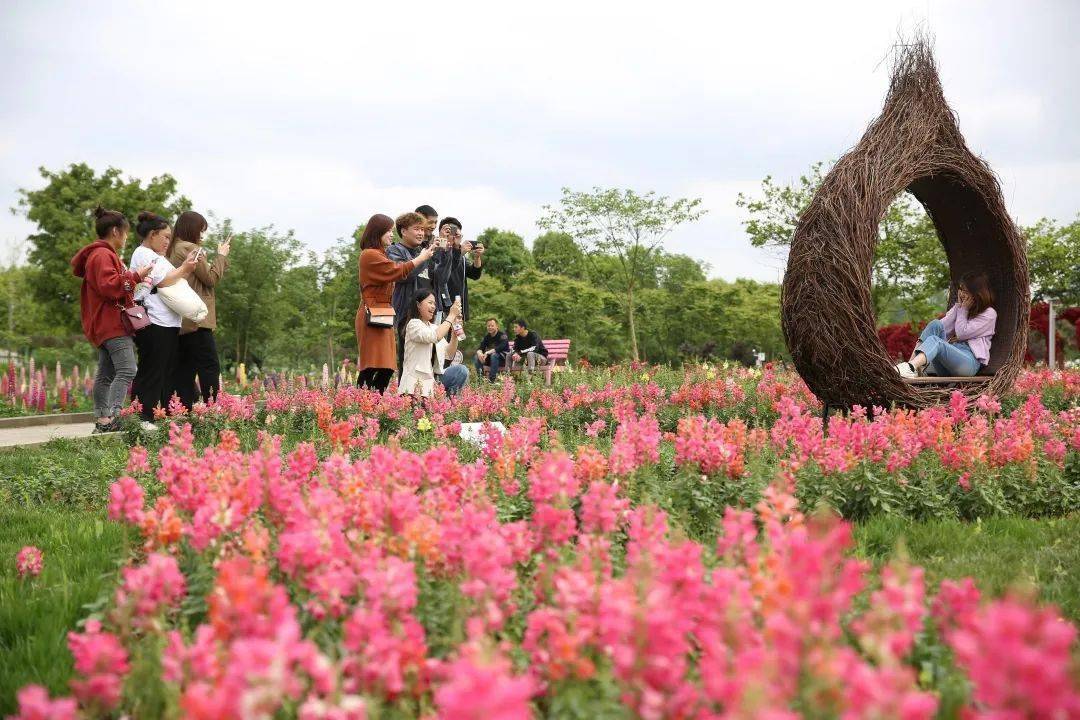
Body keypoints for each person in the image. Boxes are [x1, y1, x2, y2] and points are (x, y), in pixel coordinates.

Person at [71, 207, 155, 433]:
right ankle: (116, 416)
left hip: (105, 324)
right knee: (128, 369)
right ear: (116, 231)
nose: (127, 238)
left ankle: (103, 421)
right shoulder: (102, 255)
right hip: (112, 324)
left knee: (106, 374)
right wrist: (137, 275)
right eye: (126, 233)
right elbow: (110, 287)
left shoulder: (101, 255)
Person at [129, 211, 198, 430]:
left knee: (163, 369)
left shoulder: (159, 257)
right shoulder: (143, 253)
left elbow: (172, 280)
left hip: (168, 322)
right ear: (152, 235)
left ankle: (152, 413)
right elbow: (164, 281)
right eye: (165, 236)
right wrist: (185, 268)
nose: (168, 241)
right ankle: (142, 416)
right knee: (152, 368)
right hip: (153, 320)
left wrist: (184, 268)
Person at [355, 214, 433, 393]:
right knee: (372, 365)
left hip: (383, 314)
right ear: (378, 233)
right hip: (371, 315)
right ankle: (361, 403)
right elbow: (397, 270)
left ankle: (374, 402)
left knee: (388, 366)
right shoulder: (369, 255)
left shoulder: (380, 254)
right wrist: (421, 258)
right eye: (388, 231)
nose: (392, 234)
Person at [167, 210, 230, 409]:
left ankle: (184, 408)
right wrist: (221, 256)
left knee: (186, 367)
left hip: (183, 318)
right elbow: (210, 279)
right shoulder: (190, 248)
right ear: (192, 229)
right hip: (198, 317)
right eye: (200, 231)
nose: (202, 236)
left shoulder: (174, 248)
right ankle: (213, 408)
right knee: (209, 366)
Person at [895, 272, 997, 378]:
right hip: (947, 364)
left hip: (969, 364)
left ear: (976, 293)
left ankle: (911, 367)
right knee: (935, 324)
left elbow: (962, 333)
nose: (961, 294)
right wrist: (959, 307)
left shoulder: (989, 314)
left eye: (965, 291)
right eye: (961, 289)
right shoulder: (962, 309)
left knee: (936, 341)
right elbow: (943, 328)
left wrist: (963, 310)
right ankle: (911, 367)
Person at [389, 212, 450, 371]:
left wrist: (445, 252)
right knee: (408, 360)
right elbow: (404, 275)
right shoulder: (395, 250)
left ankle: (428, 394)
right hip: (407, 313)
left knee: (430, 360)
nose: (421, 233)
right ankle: (405, 395)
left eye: (423, 230)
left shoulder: (423, 252)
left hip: (428, 314)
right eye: (417, 229)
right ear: (403, 231)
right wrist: (424, 258)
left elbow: (441, 278)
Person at [397, 290, 466, 398]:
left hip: (431, 382)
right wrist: (451, 315)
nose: (433, 306)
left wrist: (454, 333)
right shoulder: (413, 324)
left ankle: (449, 402)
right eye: (430, 302)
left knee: (461, 371)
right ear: (418, 304)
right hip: (414, 384)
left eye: (434, 303)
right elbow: (434, 336)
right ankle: (441, 402)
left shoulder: (433, 327)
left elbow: (449, 354)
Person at [440, 217, 485, 321]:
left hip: (459, 309)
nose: (456, 238)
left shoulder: (462, 257)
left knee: (456, 337)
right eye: (453, 233)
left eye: (459, 235)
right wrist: (460, 253)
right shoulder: (438, 251)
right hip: (442, 308)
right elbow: (443, 271)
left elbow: (475, 274)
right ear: (443, 233)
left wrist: (477, 257)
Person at [474, 318, 510, 382]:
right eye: (488, 326)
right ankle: (481, 379)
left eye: (492, 325)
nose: (490, 327)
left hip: (503, 360)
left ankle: (491, 380)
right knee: (477, 357)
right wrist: (480, 354)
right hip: (491, 360)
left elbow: (500, 347)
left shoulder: (502, 335)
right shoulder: (487, 337)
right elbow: (480, 348)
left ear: (497, 326)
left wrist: (487, 352)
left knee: (494, 355)